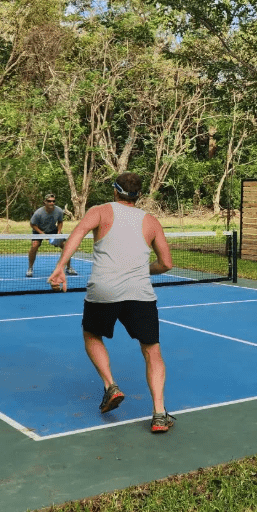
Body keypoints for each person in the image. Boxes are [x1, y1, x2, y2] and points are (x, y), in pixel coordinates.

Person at [47, 172, 176, 433]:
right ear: (139, 195)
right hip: (140, 293)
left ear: (115, 191)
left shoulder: (101, 211)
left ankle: (110, 385)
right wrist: (141, 268)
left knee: (92, 334)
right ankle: (159, 414)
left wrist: (61, 267)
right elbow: (166, 264)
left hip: (104, 290)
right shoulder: (151, 221)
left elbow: (77, 234)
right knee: (152, 351)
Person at [27, 194, 77, 278]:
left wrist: (58, 232)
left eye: (53, 201)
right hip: (39, 230)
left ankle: (69, 268)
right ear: (45, 202)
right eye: (49, 201)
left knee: (66, 246)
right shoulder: (38, 213)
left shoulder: (59, 211)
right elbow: (32, 224)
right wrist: (42, 233)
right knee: (34, 246)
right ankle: (30, 268)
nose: (52, 203)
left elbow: (60, 222)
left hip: (53, 229)